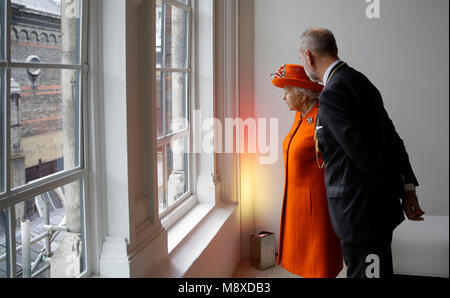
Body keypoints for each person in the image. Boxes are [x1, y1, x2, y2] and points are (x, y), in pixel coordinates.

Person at [297, 28, 425, 278]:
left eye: (301, 59)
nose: (304, 65)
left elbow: (364, 153)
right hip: (376, 209)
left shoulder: (333, 93)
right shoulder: (360, 81)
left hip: (358, 213)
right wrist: (407, 188)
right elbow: (392, 138)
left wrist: (401, 188)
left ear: (309, 56)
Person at [271, 64, 343, 278]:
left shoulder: (324, 117)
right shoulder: (300, 116)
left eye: (287, 91)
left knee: (319, 262)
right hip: (296, 200)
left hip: (317, 206)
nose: (284, 97)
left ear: (302, 94)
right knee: (303, 260)